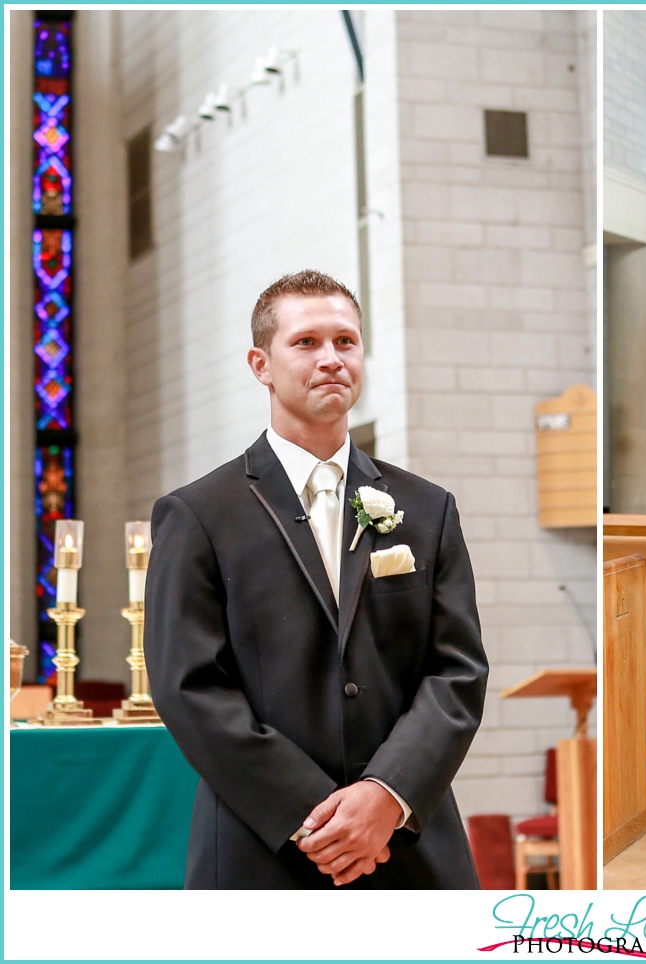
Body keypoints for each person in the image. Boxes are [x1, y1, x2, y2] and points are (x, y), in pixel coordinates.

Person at [145, 270, 488, 888]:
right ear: (262, 364)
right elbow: (188, 686)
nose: (331, 358)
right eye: (306, 343)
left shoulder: (428, 508)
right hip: (265, 847)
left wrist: (385, 796)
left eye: (346, 341)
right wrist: (319, 817)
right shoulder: (199, 514)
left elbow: (457, 670)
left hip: (406, 843)